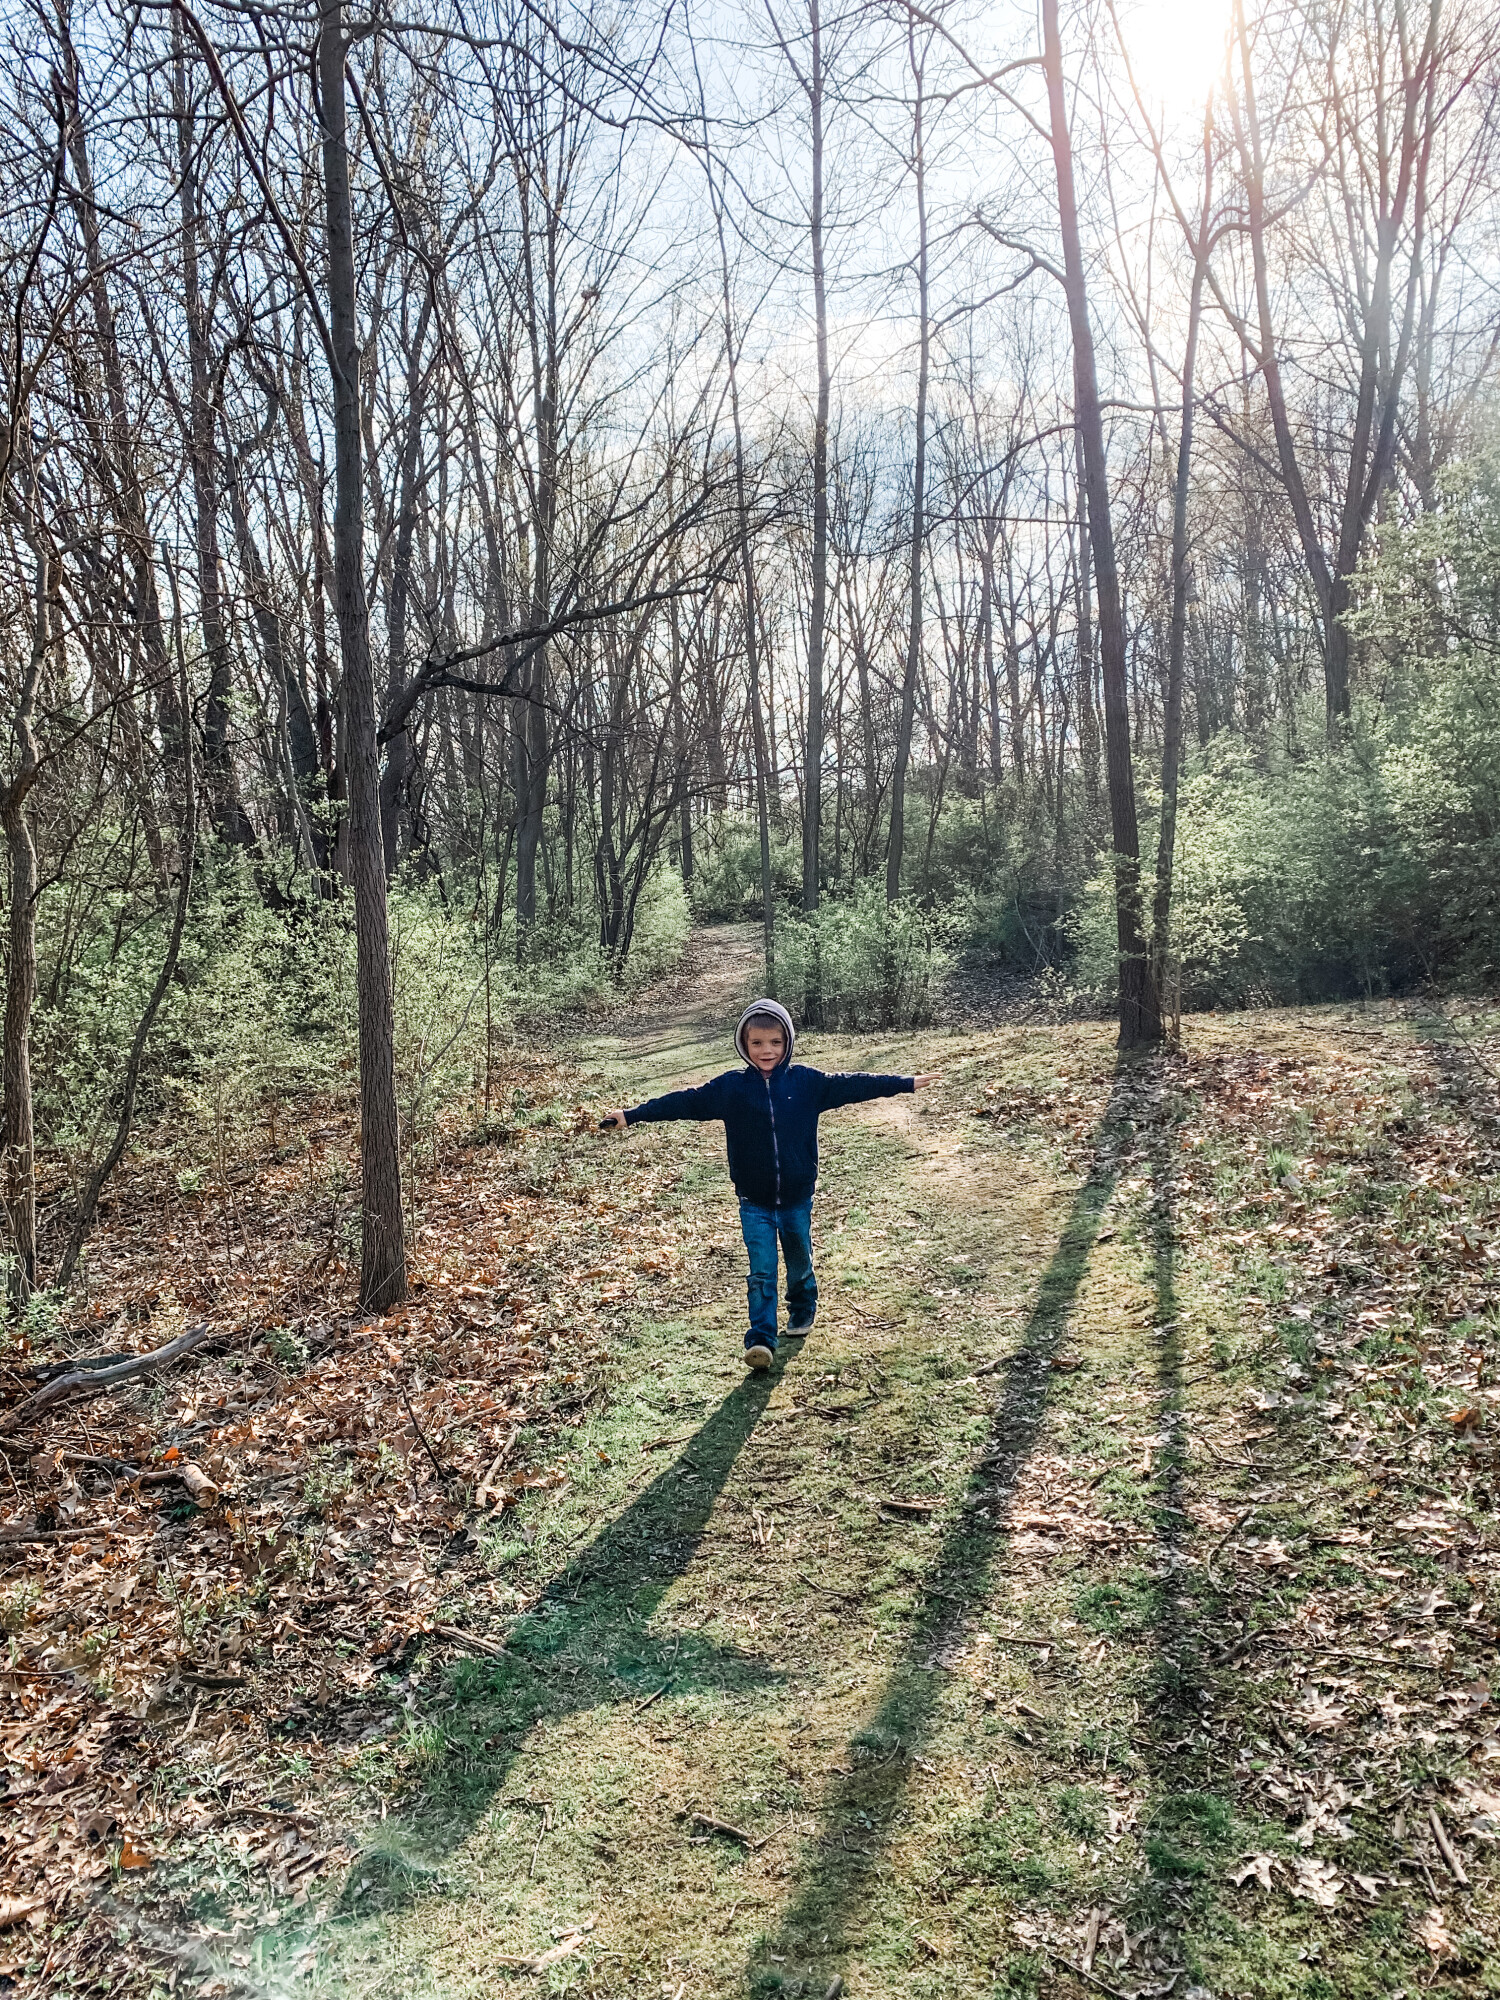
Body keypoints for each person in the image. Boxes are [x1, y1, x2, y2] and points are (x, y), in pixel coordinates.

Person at [601, 998, 940, 1370]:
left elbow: (854, 1084)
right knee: (761, 1270)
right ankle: (761, 1338)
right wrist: (632, 1115)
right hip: (754, 1200)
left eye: (776, 1042)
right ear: (744, 1045)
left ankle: (803, 1306)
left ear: (788, 1042)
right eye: (758, 1043)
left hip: (796, 1196)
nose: (767, 1051)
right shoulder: (731, 1089)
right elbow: (684, 1102)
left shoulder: (807, 1083)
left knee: (798, 1259)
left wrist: (904, 1083)